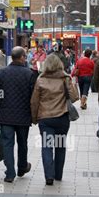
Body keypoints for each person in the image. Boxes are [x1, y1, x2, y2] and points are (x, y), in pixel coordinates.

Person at [31, 54, 78, 185]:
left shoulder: (40, 80)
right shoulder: (65, 78)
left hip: (45, 119)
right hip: (62, 118)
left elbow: (34, 101)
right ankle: (58, 174)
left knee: (47, 146)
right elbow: (74, 97)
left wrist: (34, 118)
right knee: (60, 146)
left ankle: (49, 176)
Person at [0, 47, 35, 183]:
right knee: (22, 143)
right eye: (25, 56)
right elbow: (33, 97)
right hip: (23, 116)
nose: (25, 58)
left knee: (7, 144)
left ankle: (10, 173)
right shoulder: (30, 74)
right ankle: (22, 167)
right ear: (21, 57)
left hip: (5, 115)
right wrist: (34, 115)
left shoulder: (1, 74)